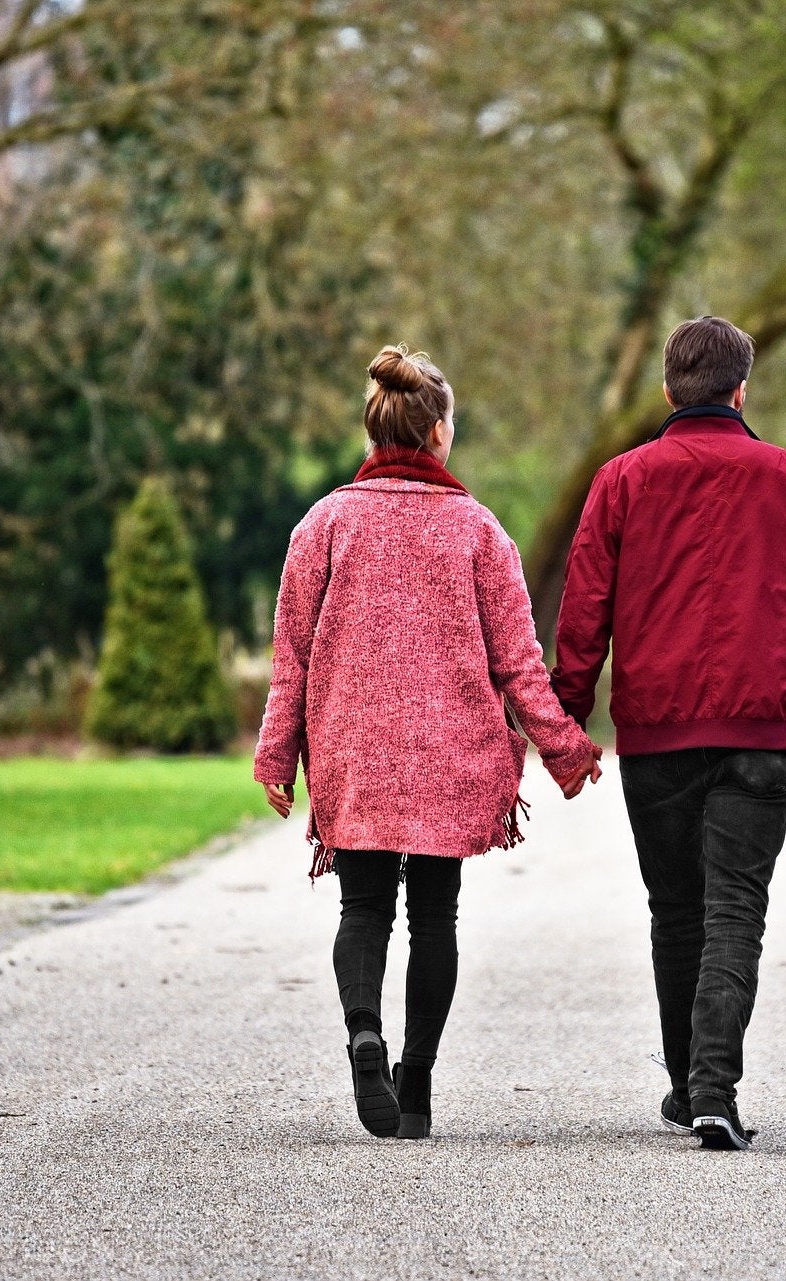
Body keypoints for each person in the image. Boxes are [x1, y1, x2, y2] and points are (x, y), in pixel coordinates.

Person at [255, 345, 602, 1141]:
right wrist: (565, 749)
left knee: (364, 905)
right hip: (451, 754)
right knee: (435, 917)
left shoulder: (324, 525)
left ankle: (363, 1033)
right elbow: (518, 663)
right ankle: (415, 1088)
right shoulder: (479, 530)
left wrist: (277, 758)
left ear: (373, 430)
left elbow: (292, 659)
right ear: (440, 433)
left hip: (355, 748)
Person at [551, 315, 786, 1150]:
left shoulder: (620, 481)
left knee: (676, 910)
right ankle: (713, 1086)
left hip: (657, 731)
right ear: (741, 389)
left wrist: (567, 720)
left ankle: (691, 1086)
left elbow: (583, 613)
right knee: (735, 909)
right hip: (763, 728)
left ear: (667, 390)